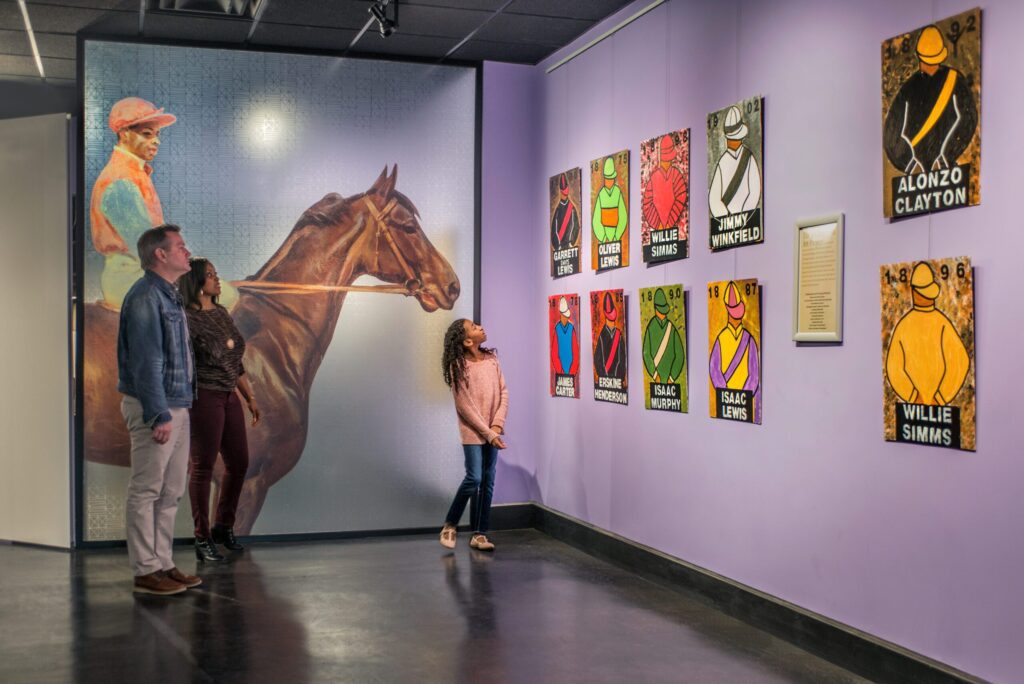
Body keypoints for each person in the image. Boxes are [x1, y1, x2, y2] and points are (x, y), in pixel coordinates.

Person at [118, 224, 201, 595]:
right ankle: (145, 570)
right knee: (147, 490)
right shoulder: (145, 297)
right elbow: (146, 362)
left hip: (178, 404)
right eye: (181, 247)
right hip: (159, 407)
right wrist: (158, 413)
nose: (188, 253)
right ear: (160, 255)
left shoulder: (170, 295)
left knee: (171, 492)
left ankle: (164, 564)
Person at [178, 258, 261, 562]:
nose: (217, 279)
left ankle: (222, 526)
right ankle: (201, 538)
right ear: (198, 283)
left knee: (239, 463)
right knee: (203, 466)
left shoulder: (223, 313)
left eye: (216, 273)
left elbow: (234, 360)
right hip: (205, 396)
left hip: (229, 395)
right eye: (211, 276)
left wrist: (248, 396)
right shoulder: (186, 318)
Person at [91, 97, 176, 311]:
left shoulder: (135, 174)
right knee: (224, 296)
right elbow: (146, 246)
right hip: (131, 278)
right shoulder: (120, 181)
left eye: (157, 135)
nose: (156, 141)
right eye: (147, 134)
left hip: (144, 273)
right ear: (124, 133)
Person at [439, 319, 509, 552]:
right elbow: (464, 407)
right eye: (474, 327)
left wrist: (497, 425)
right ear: (468, 340)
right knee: (475, 478)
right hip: (474, 432)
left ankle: (480, 533)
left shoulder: (492, 360)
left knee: (488, 481)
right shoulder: (458, 366)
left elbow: (503, 392)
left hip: (493, 431)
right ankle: (451, 523)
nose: (480, 327)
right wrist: (488, 433)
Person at [883, 26, 977, 175]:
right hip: (932, 170)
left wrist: (943, 157)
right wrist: (913, 163)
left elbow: (968, 118)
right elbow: (890, 133)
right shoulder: (910, 87)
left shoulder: (952, 81)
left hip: (933, 171)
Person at [885, 262, 970, 405]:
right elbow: (960, 362)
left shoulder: (905, 325)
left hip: (915, 412)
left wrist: (915, 397)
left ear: (913, 291)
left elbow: (893, 369)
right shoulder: (942, 323)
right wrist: (939, 398)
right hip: (935, 410)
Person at [709, 281, 761, 422]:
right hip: (728, 400)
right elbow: (715, 370)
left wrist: (743, 395)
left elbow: (754, 375)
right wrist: (727, 393)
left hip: (741, 401)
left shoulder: (749, 340)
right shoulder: (721, 338)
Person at [708, 106, 762, 218]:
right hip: (729, 220)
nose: (733, 142)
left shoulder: (748, 157)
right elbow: (714, 198)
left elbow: (755, 191)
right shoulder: (722, 163)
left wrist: (744, 214)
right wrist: (726, 216)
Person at [642, 135, 687, 231]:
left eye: (668, 159)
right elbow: (647, 204)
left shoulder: (676, 175)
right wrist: (658, 224)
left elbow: (681, 197)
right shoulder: (654, 178)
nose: (667, 162)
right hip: (659, 228)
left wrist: (669, 222)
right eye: (665, 159)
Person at [642, 288, 685, 383]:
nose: (663, 314)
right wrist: (654, 374)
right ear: (656, 309)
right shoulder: (650, 327)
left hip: (670, 380)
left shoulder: (671, 328)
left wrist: (672, 377)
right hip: (656, 378)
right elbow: (646, 353)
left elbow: (680, 355)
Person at [592, 157, 627, 243]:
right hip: (604, 238)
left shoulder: (617, 192)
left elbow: (623, 217)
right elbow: (596, 220)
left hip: (615, 236)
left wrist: (616, 236)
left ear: (614, 179)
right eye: (607, 179)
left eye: (611, 179)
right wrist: (603, 237)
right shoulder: (601, 194)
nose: (609, 182)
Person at [593, 292, 626, 380]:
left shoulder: (619, 335)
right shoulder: (601, 336)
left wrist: (617, 376)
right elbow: (597, 359)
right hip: (605, 378)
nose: (612, 322)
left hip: (617, 379)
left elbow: (622, 359)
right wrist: (604, 375)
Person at [550, 173, 581, 250]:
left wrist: (571, 242)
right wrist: (558, 245)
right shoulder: (557, 210)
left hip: (569, 245)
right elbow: (554, 230)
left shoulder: (572, 208)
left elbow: (576, 226)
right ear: (561, 192)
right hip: (560, 247)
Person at [551, 296, 579, 376]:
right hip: (560, 372)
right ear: (561, 315)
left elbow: (575, 352)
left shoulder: (571, 328)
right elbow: (554, 353)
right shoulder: (557, 329)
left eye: (567, 317)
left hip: (571, 372)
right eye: (564, 316)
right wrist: (560, 370)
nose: (566, 318)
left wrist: (572, 371)